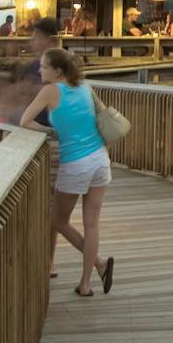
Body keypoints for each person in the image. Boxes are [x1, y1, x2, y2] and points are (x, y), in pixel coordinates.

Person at [20, 48, 115, 297]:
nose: (40, 70)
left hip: (76, 162)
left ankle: (99, 263)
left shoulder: (51, 90)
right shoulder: (84, 86)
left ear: (57, 71)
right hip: (100, 159)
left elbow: (24, 121)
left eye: (43, 66)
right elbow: (100, 115)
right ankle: (86, 283)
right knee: (92, 223)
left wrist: (50, 132)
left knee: (58, 221)